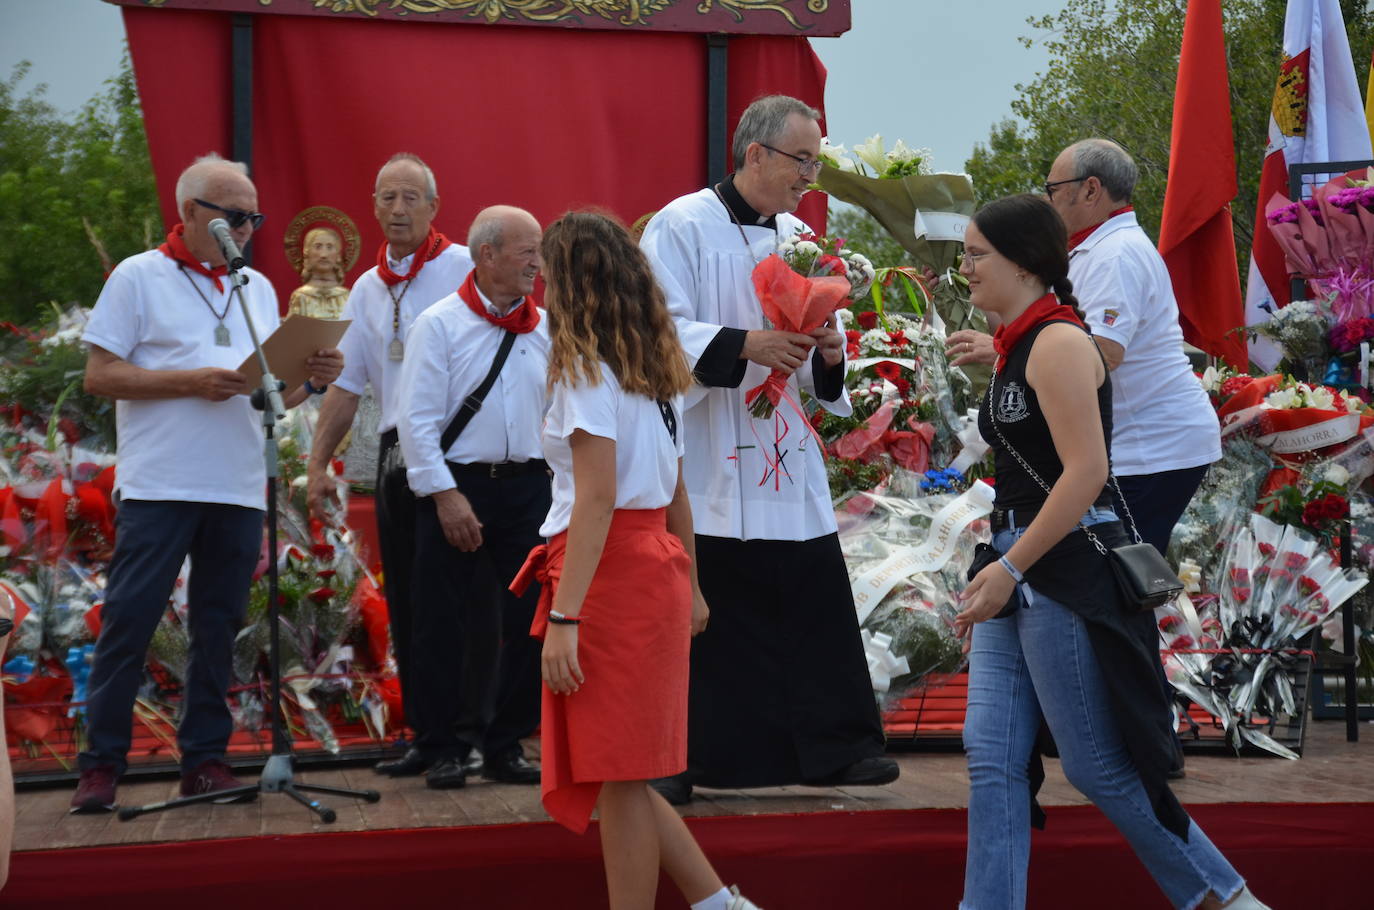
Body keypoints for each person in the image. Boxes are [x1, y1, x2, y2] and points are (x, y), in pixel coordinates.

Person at [952, 194, 1268, 910]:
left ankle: (1229, 898)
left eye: (976, 255)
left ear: (1023, 262)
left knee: (1097, 766)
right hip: (1017, 559)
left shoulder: (1059, 343)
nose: (964, 267)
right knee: (991, 756)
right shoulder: (1022, 340)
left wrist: (1009, 567)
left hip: (1055, 568)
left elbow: (1087, 473)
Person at [640, 94, 896, 805]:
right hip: (711, 440)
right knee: (707, 603)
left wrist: (829, 349)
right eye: (801, 160)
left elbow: (821, 362)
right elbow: (656, 330)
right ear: (756, 155)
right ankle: (681, 756)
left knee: (805, 596)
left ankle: (834, 751)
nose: (810, 176)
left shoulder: (799, 238)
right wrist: (745, 344)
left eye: (816, 161)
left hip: (781, 445)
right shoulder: (679, 226)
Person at [71, 154, 344, 812]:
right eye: (235, 215)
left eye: (255, 216)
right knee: (131, 622)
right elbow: (99, 375)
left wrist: (314, 378)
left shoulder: (254, 289)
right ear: (191, 213)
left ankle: (205, 760)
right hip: (162, 484)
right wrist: (187, 382)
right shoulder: (139, 277)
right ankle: (101, 764)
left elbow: (267, 395)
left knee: (219, 628)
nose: (247, 227)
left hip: (239, 483)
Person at [512, 210, 761, 910]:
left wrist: (565, 614)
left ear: (571, 283)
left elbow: (594, 501)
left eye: (547, 273)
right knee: (626, 771)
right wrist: (695, 586)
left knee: (618, 772)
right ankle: (718, 904)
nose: (541, 288)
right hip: (651, 565)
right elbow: (676, 494)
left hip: (609, 574)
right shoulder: (652, 372)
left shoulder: (588, 372)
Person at [946, 138, 1220, 555]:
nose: (1046, 198)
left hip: (1150, 447)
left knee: (1123, 577)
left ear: (1091, 190)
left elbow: (1104, 355)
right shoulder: (1091, 248)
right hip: (1129, 444)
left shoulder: (1117, 253)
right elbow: (1027, 320)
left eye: (1053, 189)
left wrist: (1010, 353)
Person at [304, 153, 476, 778]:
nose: (398, 209)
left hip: (461, 458)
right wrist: (319, 463)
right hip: (397, 461)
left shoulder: (464, 267)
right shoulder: (368, 287)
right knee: (407, 606)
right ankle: (426, 738)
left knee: (453, 608)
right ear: (373, 206)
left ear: (434, 206)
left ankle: (465, 738)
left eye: (411, 198)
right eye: (387, 198)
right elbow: (346, 386)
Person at [395, 205, 549, 789]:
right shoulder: (439, 323)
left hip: (529, 489)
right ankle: (444, 746)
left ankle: (507, 742)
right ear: (486, 255)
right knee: (444, 625)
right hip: (457, 488)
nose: (538, 262)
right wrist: (445, 495)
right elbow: (417, 421)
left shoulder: (547, 325)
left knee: (528, 622)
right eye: (526, 250)